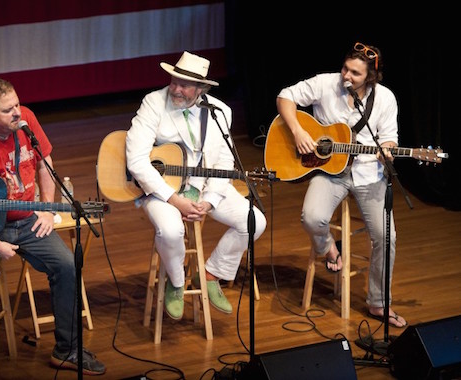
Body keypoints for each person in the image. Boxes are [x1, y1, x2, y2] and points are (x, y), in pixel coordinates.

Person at [0, 78, 106, 375]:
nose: (18, 113)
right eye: (9, 110)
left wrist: (46, 209)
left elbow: (46, 163)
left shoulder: (26, 119)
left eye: (18, 104)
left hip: (25, 218)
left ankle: (67, 350)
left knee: (68, 265)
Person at [125, 51, 267, 320]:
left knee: (255, 222)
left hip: (205, 188)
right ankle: (177, 283)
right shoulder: (154, 102)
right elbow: (136, 159)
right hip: (163, 189)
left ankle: (211, 273)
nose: (176, 89)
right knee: (170, 230)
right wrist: (174, 199)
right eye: (174, 81)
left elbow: (224, 162)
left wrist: (209, 201)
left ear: (201, 88)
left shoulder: (220, 111)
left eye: (185, 85)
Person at [276, 42, 407, 328]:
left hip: (367, 173)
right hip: (330, 171)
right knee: (311, 217)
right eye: (345, 68)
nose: (347, 76)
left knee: (387, 237)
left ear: (370, 77)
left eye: (356, 74)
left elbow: (389, 137)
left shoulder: (385, 99)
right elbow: (285, 97)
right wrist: (298, 131)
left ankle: (378, 303)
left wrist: (386, 150)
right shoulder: (325, 83)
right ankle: (329, 250)